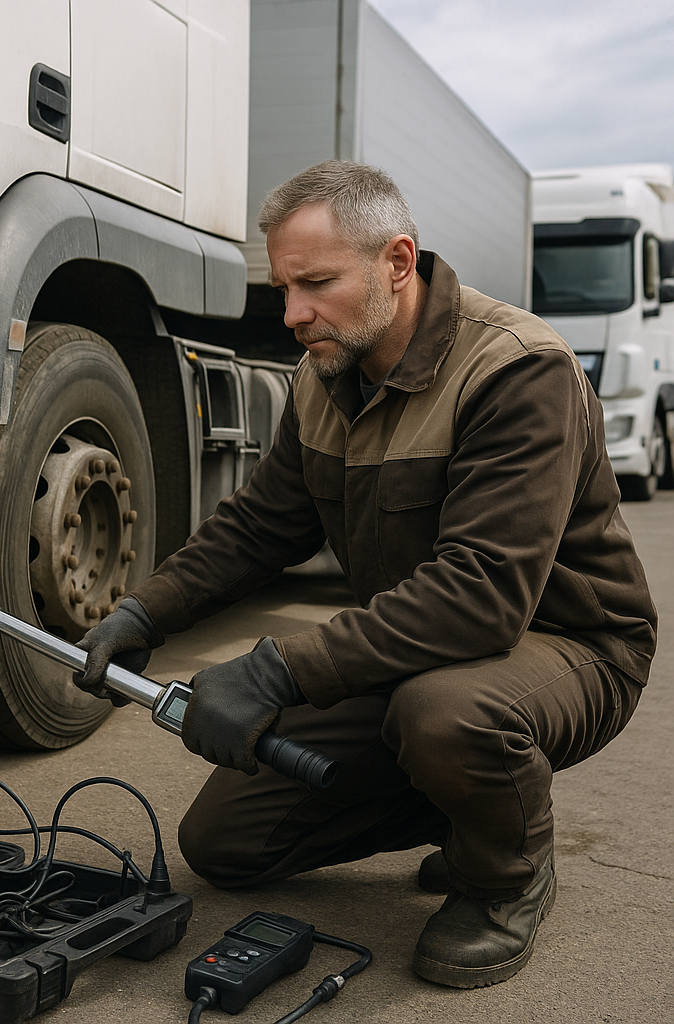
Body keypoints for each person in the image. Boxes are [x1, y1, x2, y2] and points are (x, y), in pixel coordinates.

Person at [75, 160, 656, 988]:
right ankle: (463, 807)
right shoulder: (327, 373)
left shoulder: (518, 371)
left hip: (565, 647)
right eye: (282, 288)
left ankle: (506, 875)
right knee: (225, 846)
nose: (293, 315)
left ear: (397, 261)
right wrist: (145, 612)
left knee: (448, 715)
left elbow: (485, 595)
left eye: (314, 284)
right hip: (417, 649)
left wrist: (278, 669)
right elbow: (260, 525)